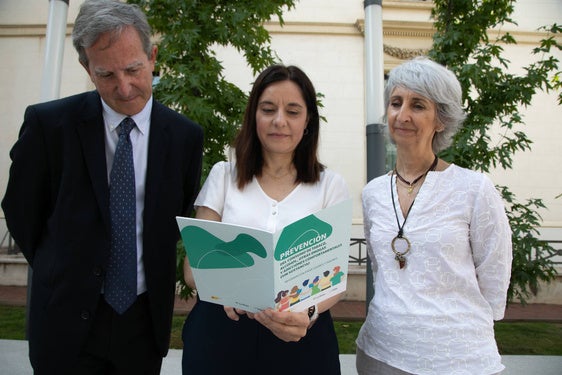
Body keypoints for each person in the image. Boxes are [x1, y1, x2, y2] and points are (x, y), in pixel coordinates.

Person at [1, 0, 203, 373]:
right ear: (86, 68)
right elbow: (21, 211)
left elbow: (177, 214)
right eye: (106, 74)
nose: (124, 87)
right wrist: (58, 271)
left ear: (153, 56)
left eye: (133, 69)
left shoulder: (184, 137)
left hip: (143, 325)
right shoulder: (49, 126)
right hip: (63, 323)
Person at [181, 64, 350, 374]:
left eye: (293, 111)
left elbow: (335, 279)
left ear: (308, 120)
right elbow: (192, 269)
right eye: (268, 109)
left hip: (301, 336)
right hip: (222, 331)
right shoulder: (223, 175)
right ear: (253, 115)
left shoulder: (330, 186)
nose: (279, 121)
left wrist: (307, 312)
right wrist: (227, 288)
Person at [356, 57, 513, 375]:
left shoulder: (473, 188)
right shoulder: (372, 193)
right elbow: (381, 270)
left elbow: (495, 274)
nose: (402, 115)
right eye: (396, 102)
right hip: (380, 353)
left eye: (418, 105)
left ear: (441, 119)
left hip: (458, 358)